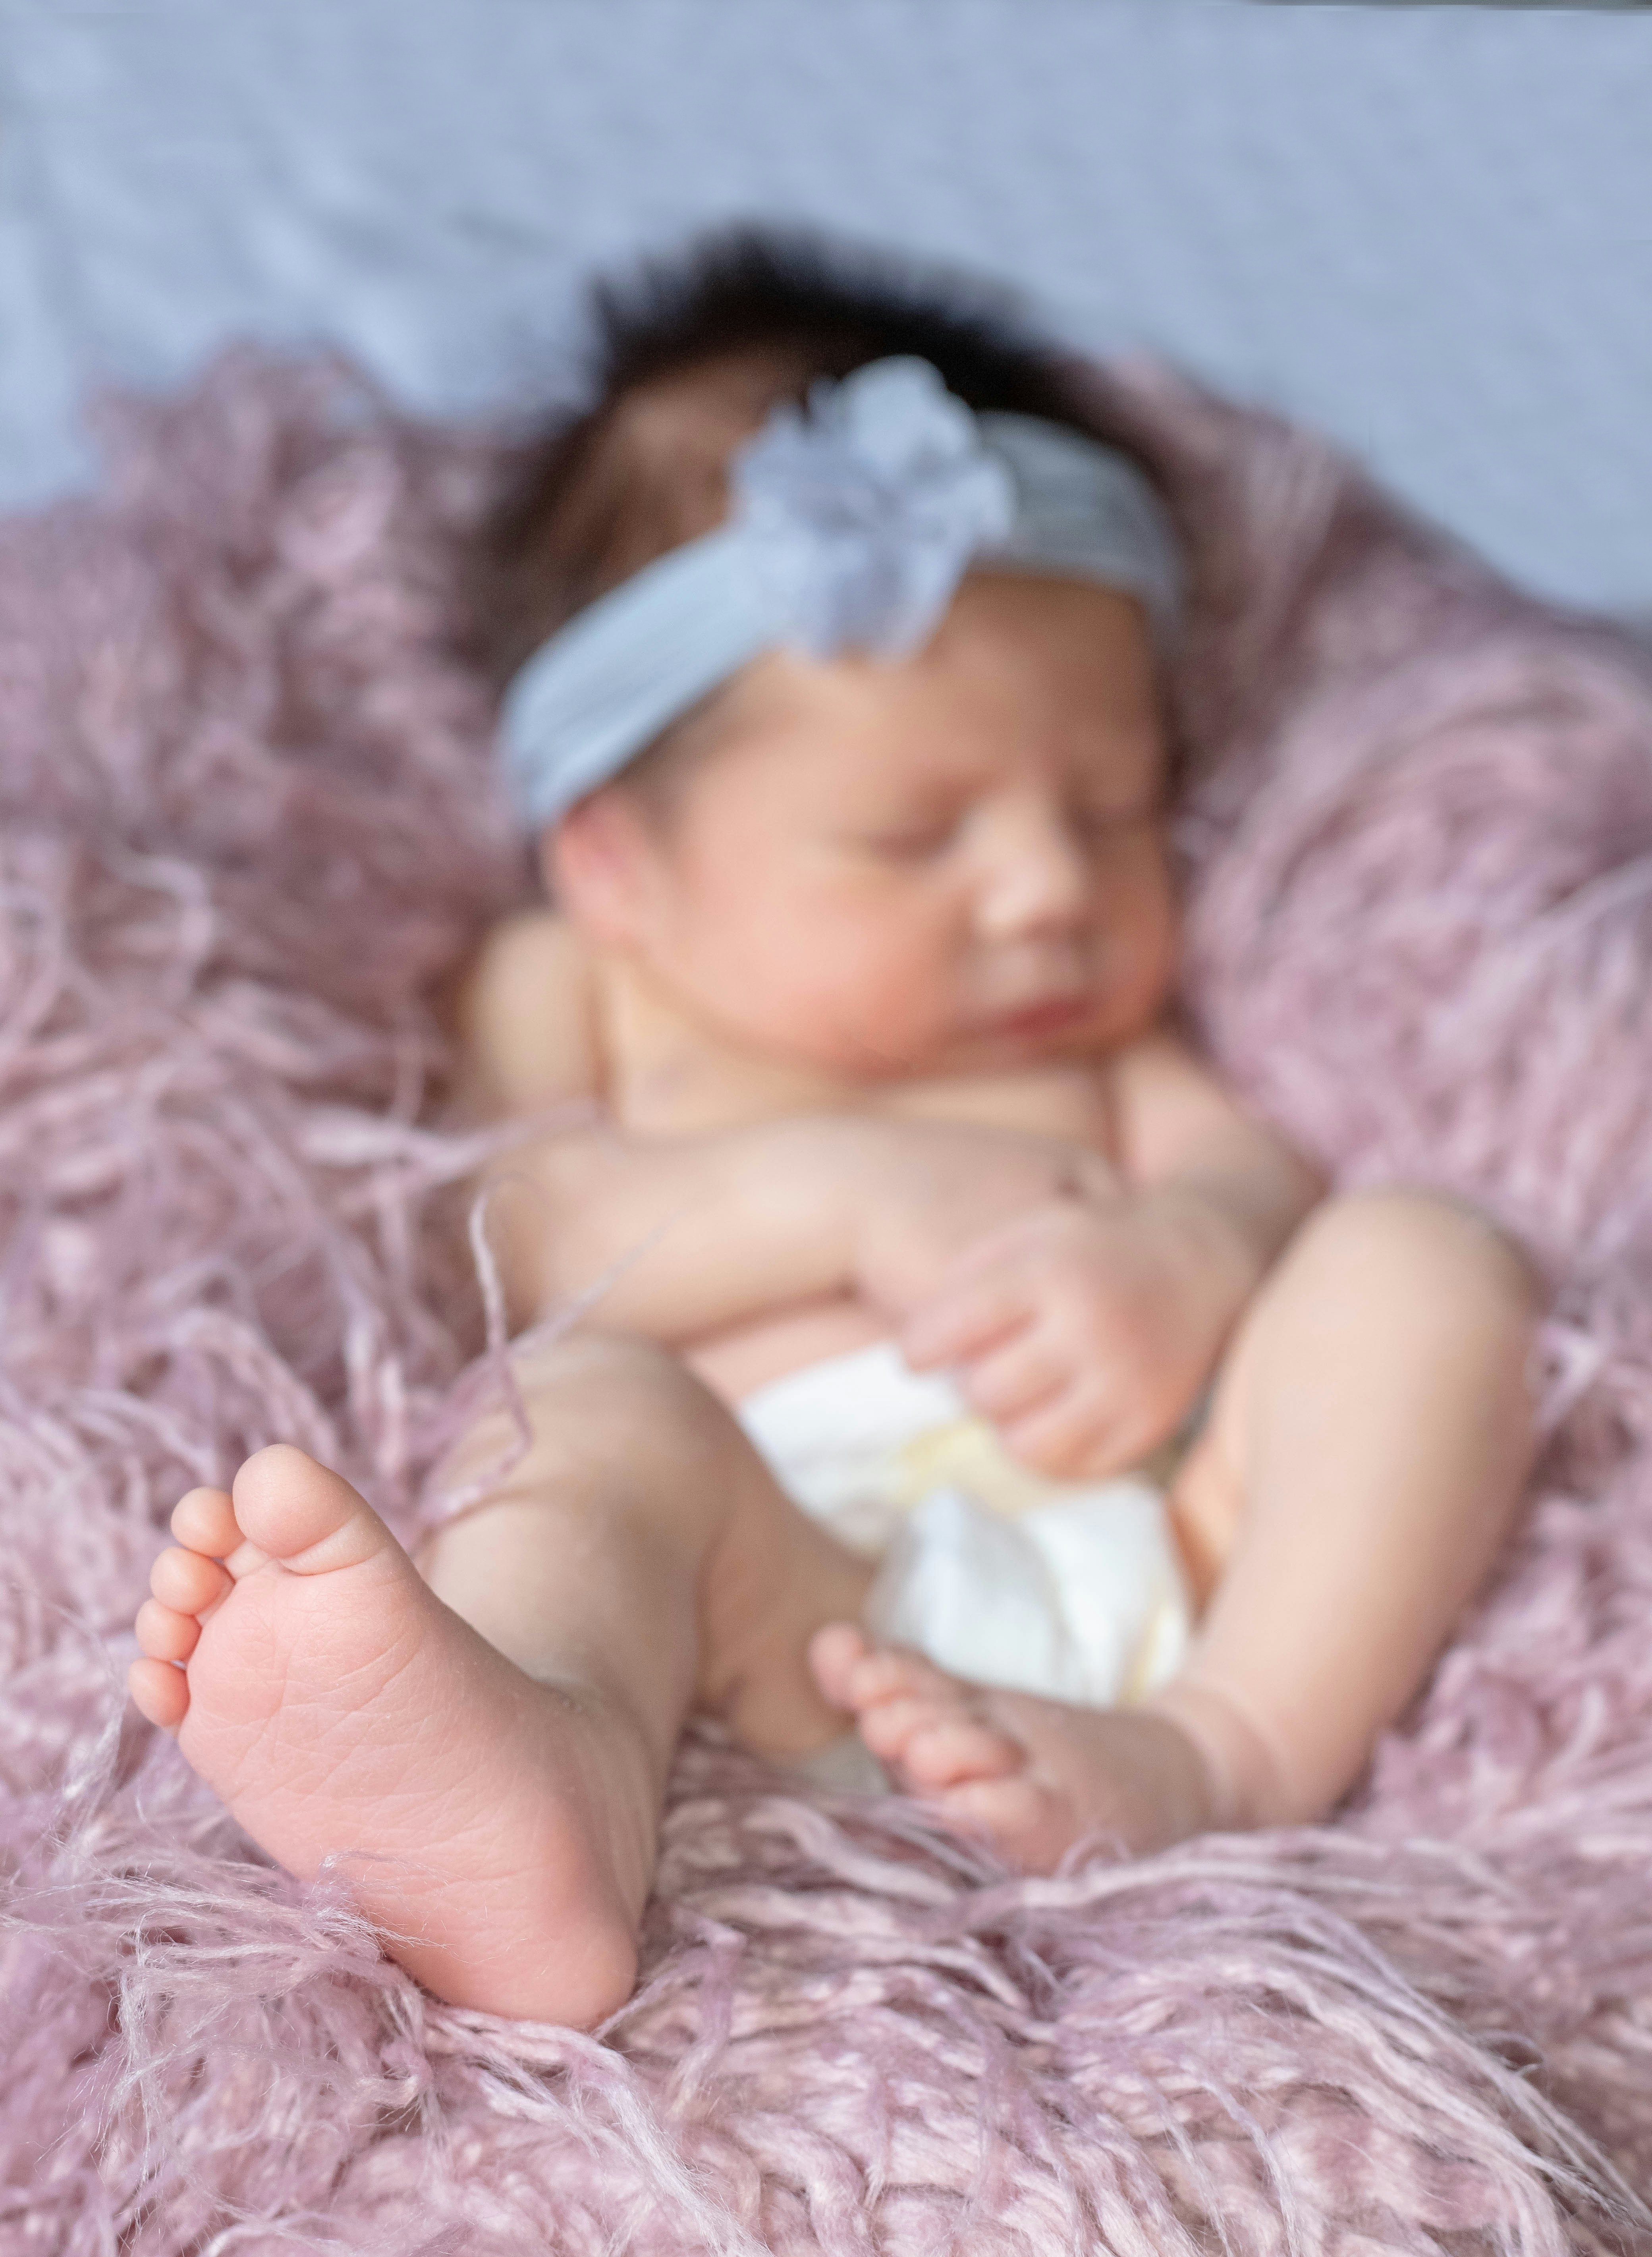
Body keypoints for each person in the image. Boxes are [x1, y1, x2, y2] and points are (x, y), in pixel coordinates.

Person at [127, 234, 1538, 2029]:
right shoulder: (576, 991)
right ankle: (538, 1775)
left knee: (1423, 1259)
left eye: (1111, 812)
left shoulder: (1107, 1053)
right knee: (590, 1419)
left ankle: (1220, 1749)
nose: (1046, 889)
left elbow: (1247, 1176)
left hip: (1158, 1571)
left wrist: (1186, 1249)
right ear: (616, 863)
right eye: (910, 834)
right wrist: (836, 1190)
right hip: (779, 1584)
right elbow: (502, 1227)